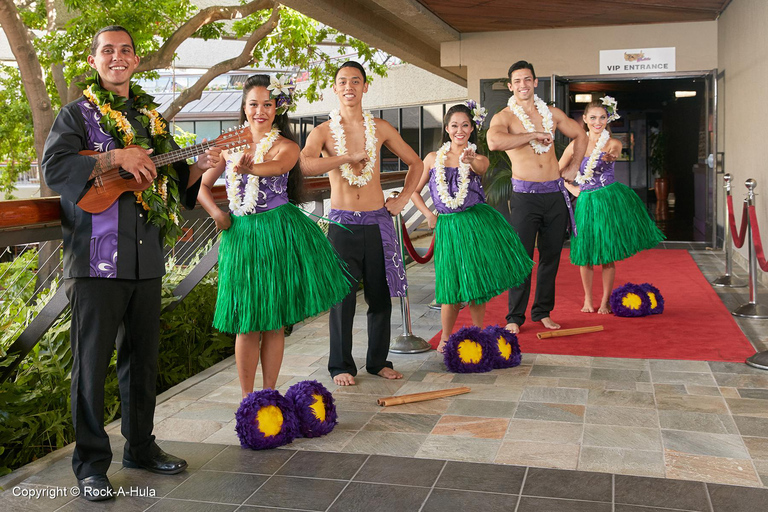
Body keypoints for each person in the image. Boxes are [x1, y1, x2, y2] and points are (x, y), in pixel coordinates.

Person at [41, 26, 221, 501]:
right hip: (95, 261)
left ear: (136, 61)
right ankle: (90, 466)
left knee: (142, 362)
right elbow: (54, 167)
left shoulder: (152, 119)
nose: (117, 57)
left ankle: (140, 448)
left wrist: (201, 167)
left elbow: (171, 184)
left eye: (125, 51)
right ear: (94, 60)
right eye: (108, 50)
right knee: (91, 366)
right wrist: (114, 155)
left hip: (145, 258)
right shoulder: (76, 114)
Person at [197, 74, 351, 397]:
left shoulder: (287, 146)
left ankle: (269, 395)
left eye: (267, 104)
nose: (260, 111)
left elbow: (278, 167)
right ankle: (248, 400)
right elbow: (202, 187)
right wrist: (217, 214)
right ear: (244, 107)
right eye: (253, 104)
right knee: (247, 322)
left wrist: (249, 168)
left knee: (273, 321)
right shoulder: (228, 145)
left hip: (276, 233)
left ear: (277, 108)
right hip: (241, 237)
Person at [300, 61, 423, 386]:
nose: (349, 86)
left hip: (377, 220)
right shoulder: (323, 131)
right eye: (343, 81)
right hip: (342, 223)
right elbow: (305, 165)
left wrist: (402, 199)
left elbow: (416, 163)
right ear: (335, 88)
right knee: (341, 298)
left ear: (365, 87)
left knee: (379, 296)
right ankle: (340, 365)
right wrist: (345, 158)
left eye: (356, 81)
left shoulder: (380, 128)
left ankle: (378, 361)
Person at [410, 103, 534, 352]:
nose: (460, 130)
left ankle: (478, 334)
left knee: (476, 283)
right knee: (450, 285)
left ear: (471, 129)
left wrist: (470, 159)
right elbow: (413, 190)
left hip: (474, 224)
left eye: (465, 125)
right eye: (455, 125)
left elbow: (482, 168)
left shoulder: (478, 158)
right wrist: (428, 214)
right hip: (448, 227)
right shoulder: (433, 159)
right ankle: (445, 338)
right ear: (447, 129)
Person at [487, 60, 587, 334]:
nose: (523, 85)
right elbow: (494, 142)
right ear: (510, 86)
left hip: (554, 194)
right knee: (522, 257)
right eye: (517, 81)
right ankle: (514, 316)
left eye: (527, 79)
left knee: (550, 257)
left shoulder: (552, 113)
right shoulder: (505, 117)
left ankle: (542, 312)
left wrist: (574, 166)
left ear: (535, 82)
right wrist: (533, 134)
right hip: (525, 197)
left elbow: (580, 134)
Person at [560, 97, 665, 314]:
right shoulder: (575, 145)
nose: (597, 122)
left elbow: (615, 152)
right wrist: (571, 188)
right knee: (585, 253)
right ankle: (588, 299)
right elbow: (557, 171)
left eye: (602, 118)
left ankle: (605, 301)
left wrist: (611, 157)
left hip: (607, 200)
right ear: (584, 119)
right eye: (593, 118)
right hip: (586, 202)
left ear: (608, 119)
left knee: (607, 253)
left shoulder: (612, 143)